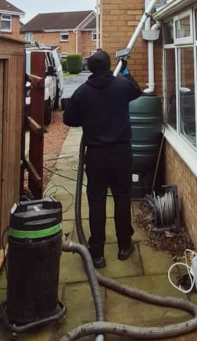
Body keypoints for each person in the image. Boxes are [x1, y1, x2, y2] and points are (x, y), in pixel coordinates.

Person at [63, 50, 142, 268]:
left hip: (96, 156)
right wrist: (125, 71)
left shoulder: (82, 92)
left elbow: (68, 118)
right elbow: (136, 90)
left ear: (89, 68)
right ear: (109, 66)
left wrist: (87, 118)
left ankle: (97, 253)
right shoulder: (121, 86)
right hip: (121, 153)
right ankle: (124, 246)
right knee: (122, 198)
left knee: (96, 202)